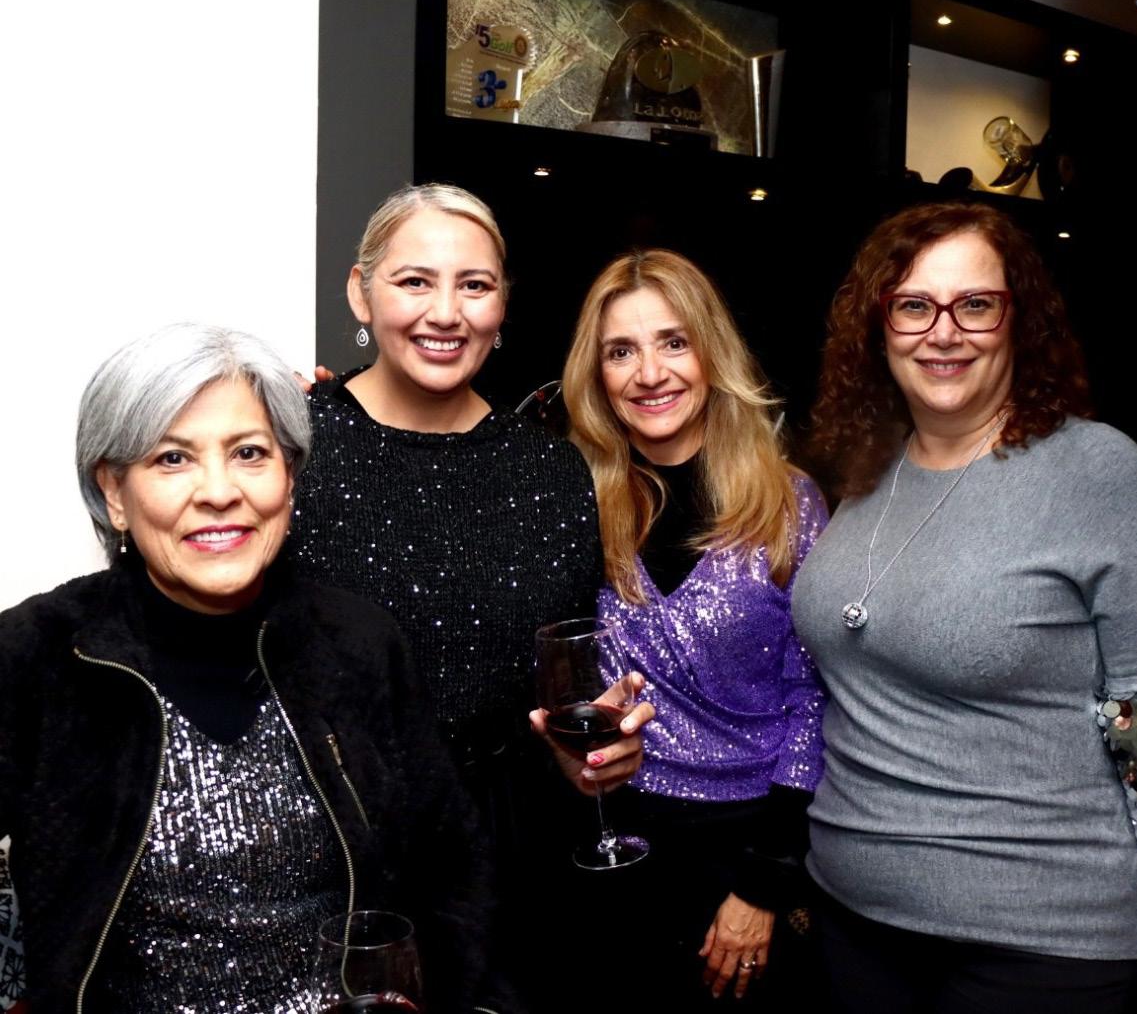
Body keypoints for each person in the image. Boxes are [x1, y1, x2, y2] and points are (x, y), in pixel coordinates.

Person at [792, 200, 1137, 1014]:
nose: (943, 332)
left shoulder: (1099, 474)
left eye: (975, 304)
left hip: (1041, 941)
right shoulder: (864, 469)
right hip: (853, 914)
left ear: (1018, 320)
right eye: (914, 305)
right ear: (879, 326)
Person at [0, 324, 494, 1013]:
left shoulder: (360, 644)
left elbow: (452, 872)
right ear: (114, 492)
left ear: (289, 476)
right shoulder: (34, 654)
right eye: (173, 458)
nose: (219, 491)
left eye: (249, 453)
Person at [287, 185, 651, 1005]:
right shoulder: (291, 449)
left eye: (474, 285)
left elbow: (562, 678)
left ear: (503, 305)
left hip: (511, 853)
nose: (446, 313)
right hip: (338, 847)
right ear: (360, 293)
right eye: (415, 281)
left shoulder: (551, 471)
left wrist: (587, 756)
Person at [556, 248, 829, 1010]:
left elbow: (814, 699)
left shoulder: (788, 503)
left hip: (748, 851)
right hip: (615, 844)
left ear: (711, 351)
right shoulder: (576, 500)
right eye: (621, 351)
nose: (650, 374)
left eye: (673, 342)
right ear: (597, 374)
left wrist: (764, 883)